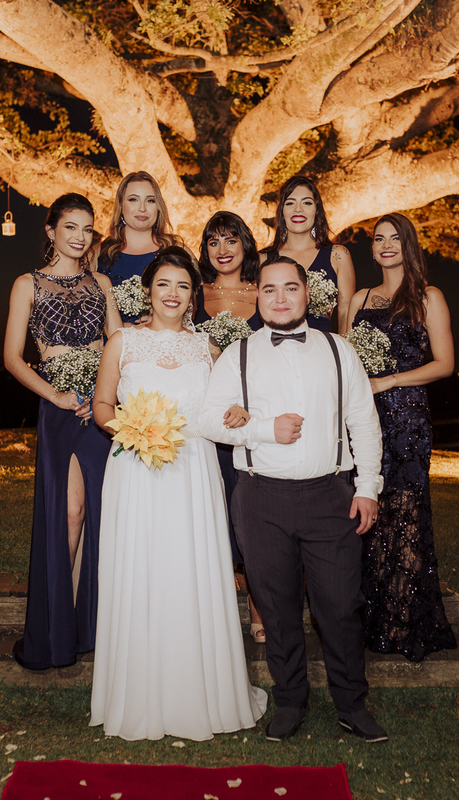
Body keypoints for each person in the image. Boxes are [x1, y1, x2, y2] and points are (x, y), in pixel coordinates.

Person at [198, 256, 389, 743]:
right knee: (277, 607)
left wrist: (367, 487)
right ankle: (289, 702)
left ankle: (352, 704)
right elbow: (209, 421)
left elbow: (364, 422)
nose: (280, 298)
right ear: (256, 297)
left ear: (307, 293)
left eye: (290, 288)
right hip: (260, 498)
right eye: (269, 290)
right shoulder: (236, 353)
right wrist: (264, 431)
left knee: (341, 606)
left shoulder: (339, 350)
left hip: (330, 496)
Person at [90, 247, 268, 741]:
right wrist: (131, 428)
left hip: (192, 469)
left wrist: (237, 412)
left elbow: (218, 409)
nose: (172, 293)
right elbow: (102, 405)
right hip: (136, 467)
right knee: (142, 569)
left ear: (194, 296)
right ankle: (139, 692)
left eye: (183, 286)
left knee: (191, 570)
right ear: (148, 290)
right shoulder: (121, 342)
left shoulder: (206, 346)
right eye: (163, 284)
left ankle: (202, 692)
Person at [3, 194, 122, 669]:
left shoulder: (103, 283)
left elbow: (118, 342)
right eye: (70, 227)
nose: (80, 236)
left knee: (100, 513)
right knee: (70, 513)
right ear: (51, 231)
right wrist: (54, 395)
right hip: (58, 406)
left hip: (100, 405)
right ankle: (56, 630)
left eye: (87, 229)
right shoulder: (26, 284)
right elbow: (12, 357)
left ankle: (93, 628)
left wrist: (105, 396)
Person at [345, 213, 458, 662]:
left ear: (408, 245)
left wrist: (390, 381)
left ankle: (405, 621)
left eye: (395, 238)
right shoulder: (358, 299)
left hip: (407, 417)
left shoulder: (428, 296)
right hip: (363, 418)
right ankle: (371, 617)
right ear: (372, 250)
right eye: (379, 239)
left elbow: (445, 363)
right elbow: (345, 358)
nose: (387, 245)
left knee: (406, 512)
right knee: (368, 513)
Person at [193, 211, 266, 641]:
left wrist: (249, 403)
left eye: (230, 241)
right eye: (213, 242)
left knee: (252, 516)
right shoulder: (194, 292)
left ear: (245, 245)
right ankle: (214, 620)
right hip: (206, 415)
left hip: (251, 413)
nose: (222, 250)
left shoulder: (263, 290)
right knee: (212, 515)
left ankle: (260, 613)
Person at [260, 176, 355, 334]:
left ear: (317, 210)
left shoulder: (338, 255)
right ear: (282, 211)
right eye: (290, 203)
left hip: (324, 348)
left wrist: (343, 354)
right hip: (274, 350)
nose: (298, 209)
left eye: (307, 203)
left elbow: (346, 311)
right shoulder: (263, 258)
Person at [96, 172, 185, 324]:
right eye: (133, 199)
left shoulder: (177, 249)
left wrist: (162, 320)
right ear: (121, 205)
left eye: (150, 200)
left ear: (158, 207)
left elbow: (196, 303)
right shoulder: (99, 253)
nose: (142, 208)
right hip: (111, 344)